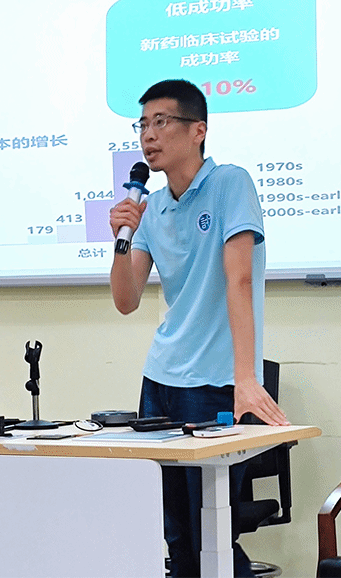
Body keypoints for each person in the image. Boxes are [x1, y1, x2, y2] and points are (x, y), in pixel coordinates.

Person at [109, 79, 289, 578]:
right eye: (142, 125)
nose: (149, 135)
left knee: (211, 529)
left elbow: (239, 279)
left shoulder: (230, 184)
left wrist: (245, 379)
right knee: (172, 534)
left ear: (198, 131)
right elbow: (126, 300)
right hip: (160, 380)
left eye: (161, 122)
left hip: (214, 383)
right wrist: (120, 239)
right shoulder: (150, 206)